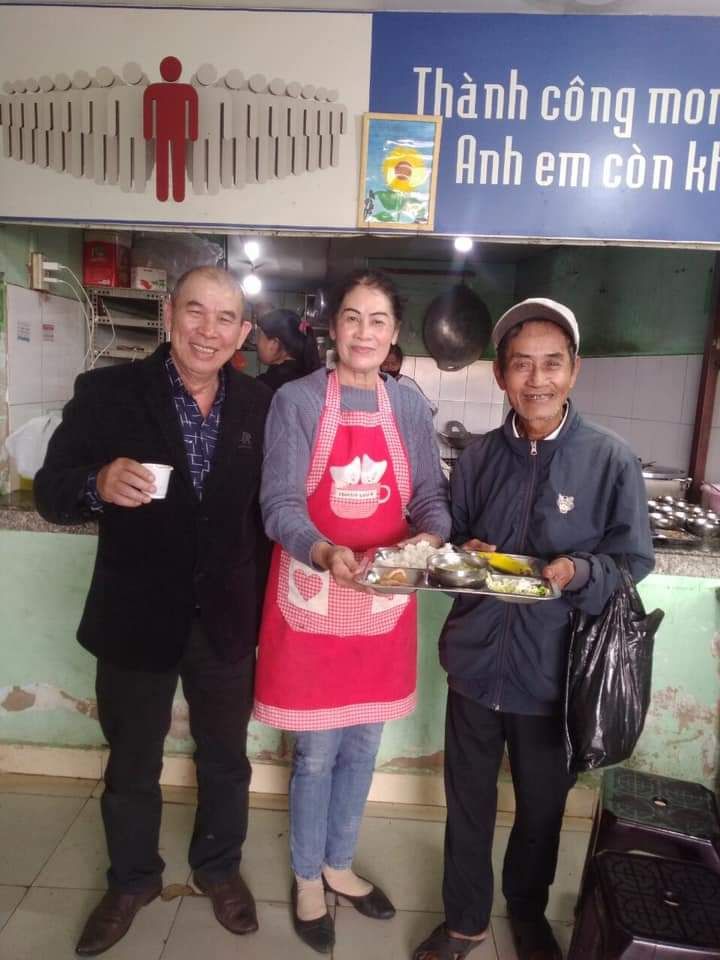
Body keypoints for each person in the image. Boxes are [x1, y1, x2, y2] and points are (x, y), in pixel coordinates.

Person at [34, 267, 272, 957]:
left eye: (224, 318)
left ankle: (218, 868)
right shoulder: (108, 393)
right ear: (170, 314)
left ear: (242, 333)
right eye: (195, 311)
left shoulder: (261, 405)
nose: (208, 330)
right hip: (136, 615)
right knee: (132, 760)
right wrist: (96, 483)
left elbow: (271, 512)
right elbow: (50, 490)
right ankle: (132, 880)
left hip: (226, 616)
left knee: (225, 758)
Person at [413, 298, 654, 960]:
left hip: (555, 671)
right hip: (474, 663)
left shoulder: (610, 460)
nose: (537, 379)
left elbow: (633, 561)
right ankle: (464, 921)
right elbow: (454, 548)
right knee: (467, 804)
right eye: (522, 365)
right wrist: (464, 555)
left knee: (542, 810)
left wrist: (580, 571)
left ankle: (526, 912)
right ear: (500, 374)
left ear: (575, 370)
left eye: (552, 364)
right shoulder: (479, 458)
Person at [254, 269, 451, 954]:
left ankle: (340, 863)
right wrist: (322, 550)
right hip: (315, 596)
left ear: (394, 334)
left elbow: (430, 499)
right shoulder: (299, 401)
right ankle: (308, 876)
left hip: (383, 603)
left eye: (378, 320)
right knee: (316, 755)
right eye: (352, 317)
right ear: (332, 327)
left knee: (364, 745)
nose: (364, 332)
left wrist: (427, 540)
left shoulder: (409, 408)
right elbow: (279, 504)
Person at [255, 307, 322, 392]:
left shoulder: (265, 385)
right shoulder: (311, 378)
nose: (256, 343)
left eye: (259, 336)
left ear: (274, 344)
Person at [380, 343, 439, 415]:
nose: (389, 367)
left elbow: (431, 409)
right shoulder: (374, 384)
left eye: (393, 364)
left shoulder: (407, 384)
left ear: (400, 364)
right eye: (385, 364)